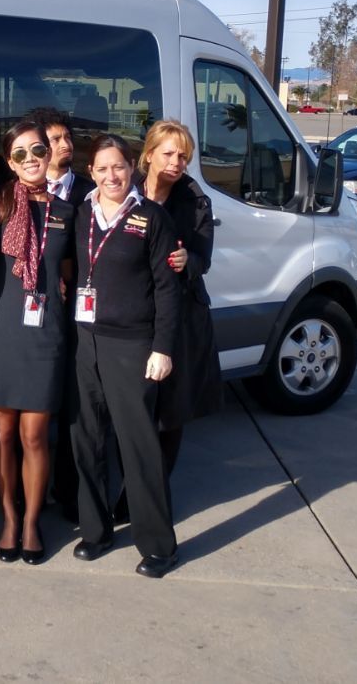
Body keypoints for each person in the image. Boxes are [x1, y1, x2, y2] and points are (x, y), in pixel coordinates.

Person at [69, 133, 183, 578]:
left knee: (138, 447)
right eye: (101, 168)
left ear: (132, 167)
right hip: (86, 340)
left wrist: (163, 348)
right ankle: (96, 532)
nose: (111, 175)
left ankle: (158, 546)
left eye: (118, 166)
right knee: (88, 440)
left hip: (133, 344)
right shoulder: (82, 213)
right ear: (90, 172)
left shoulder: (151, 217)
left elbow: (167, 289)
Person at [0, 122, 76, 566]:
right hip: (1, 332)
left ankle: (32, 522)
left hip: (45, 332)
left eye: (38, 149)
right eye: (20, 154)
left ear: (49, 152)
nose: (31, 158)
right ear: (8, 160)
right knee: (3, 432)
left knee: (34, 435)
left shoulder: (69, 213)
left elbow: (75, 271)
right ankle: (9, 518)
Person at [140, 120, 225, 500]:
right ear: (149, 155)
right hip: (131, 313)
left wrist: (186, 258)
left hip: (181, 313)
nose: (176, 162)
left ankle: (151, 490)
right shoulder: (124, 190)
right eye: (169, 153)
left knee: (169, 412)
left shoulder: (194, 200)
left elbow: (203, 258)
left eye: (183, 156)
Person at [23, 106, 93, 524]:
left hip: (82, 314)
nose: (64, 144)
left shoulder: (89, 190)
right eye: (53, 139)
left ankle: (69, 492)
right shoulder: (14, 192)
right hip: (36, 317)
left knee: (76, 406)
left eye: (67, 137)